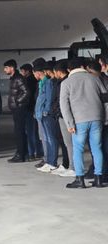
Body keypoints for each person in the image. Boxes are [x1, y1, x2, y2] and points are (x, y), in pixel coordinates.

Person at [60, 58, 108, 188]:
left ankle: (80, 179)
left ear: (69, 70)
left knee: (78, 149)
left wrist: (69, 124)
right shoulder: (95, 79)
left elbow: (64, 106)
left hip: (79, 120)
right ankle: (99, 178)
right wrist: (105, 119)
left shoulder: (66, 83)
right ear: (82, 66)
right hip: (97, 118)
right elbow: (105, 99)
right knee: (97, 148)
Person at [50, 60, 73, 177]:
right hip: (60, 115)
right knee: (64, 142)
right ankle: (66, 164)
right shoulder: (60, 82)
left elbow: (62, 101)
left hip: (64, 116)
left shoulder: (65, 83)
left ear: (59, 71)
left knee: (69, 143)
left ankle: (71, 166)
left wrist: (58, 112)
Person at [33, 63, 58, 172]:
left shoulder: (47, 83)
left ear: (38, 73)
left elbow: (49, 98)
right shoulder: (41, 83)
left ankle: (52, 162)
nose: (34, 76)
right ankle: (48, 161)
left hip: (45, 114)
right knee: (46, 138)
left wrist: (46, 111)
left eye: (34, 73)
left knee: (50, 138)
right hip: (40, 114)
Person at [4, 59, 30, 163]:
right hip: (16, 108)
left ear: (12, 68)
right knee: (19, 131)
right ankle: (22, 153)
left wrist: (17, 101)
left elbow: (26, 92)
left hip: (19, 108)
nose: (4, 70)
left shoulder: (19, 78)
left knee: (19, 132)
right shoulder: (14, 78)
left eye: (6, 67)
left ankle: (20, 155)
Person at [20, 63, 40, 162]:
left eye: (22, 71)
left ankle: (31, 153)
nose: (22, 73)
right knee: (35, 132)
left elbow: (29, 96)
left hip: (30, 109)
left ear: (27, 71)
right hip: (33, 108)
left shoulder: (28, 81)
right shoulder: (34, 80)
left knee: (30, 132)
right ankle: (39, 152)